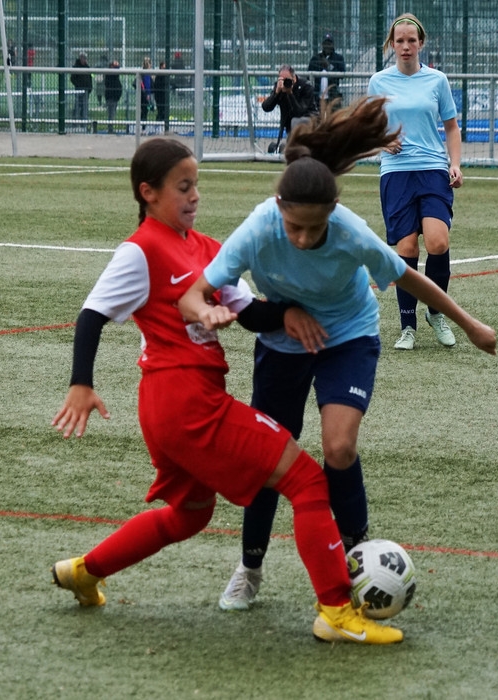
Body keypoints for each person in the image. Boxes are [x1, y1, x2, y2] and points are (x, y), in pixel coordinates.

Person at [49, 137, 403, 646]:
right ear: (148, 193)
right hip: (185, 403)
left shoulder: (204, 247)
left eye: (196, 185)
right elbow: (91, 315)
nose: (194, 196)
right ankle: (335, 610)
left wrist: (287, 311)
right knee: (307, 480)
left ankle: (84, 571)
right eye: (183, 187)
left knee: (190, 516)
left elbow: (250, 311)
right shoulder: (141, 250)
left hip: (175, 408)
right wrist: (81, 383)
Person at [183, 97, 497, 611]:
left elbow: (409, 277)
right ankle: (250, 567)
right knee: (268, 457)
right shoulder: (259, 227)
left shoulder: (351, 232)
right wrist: (206, 311)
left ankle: (357, 557)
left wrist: (471, 325)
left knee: (339, 447)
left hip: (348, 336)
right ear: (279, 207)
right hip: (283, 346)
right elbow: (193, 293)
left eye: (316, 227)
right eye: (294, 227)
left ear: (332, 212)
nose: (304, 238)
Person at [367, 13, 463, 351]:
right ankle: (407, 327)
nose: (406, 46)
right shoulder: (378, 82)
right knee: (406, 249)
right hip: (395, 173)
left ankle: (436, 313)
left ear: (421, 43)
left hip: (433, 170)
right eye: (400, 41)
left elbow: (451, 127)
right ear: (391, 45)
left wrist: (454, 164)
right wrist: (382, 141)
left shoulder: (437, 80)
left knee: (438, 242)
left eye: (411, 40)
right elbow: (368, 128)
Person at [261, 65, 318, 151]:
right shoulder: (279, 87)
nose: (285, 82)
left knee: (295, 121)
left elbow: (300, 112)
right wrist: (276, 93)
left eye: (287, 79)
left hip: (308, 122)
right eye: (282, 79)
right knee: (275, 148)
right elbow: (266, 107)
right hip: (290, 126)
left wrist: (290, 94)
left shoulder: (306, 86)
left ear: (294, 78)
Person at [307, 33, 346, 106]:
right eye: (325, 44)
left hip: (333, 95)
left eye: (329, 44)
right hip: (317, 96)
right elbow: (308, 76)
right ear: (322, 45)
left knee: (334, 112)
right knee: (317, 113)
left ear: (333, 45)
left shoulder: (338, 58)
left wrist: (329, 66)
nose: (327, 46)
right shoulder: (316, 58)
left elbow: (342, 75)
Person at [70, 52, 93, 123]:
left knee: (84, 107)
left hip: (86, 90)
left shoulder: (87, 67)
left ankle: (84, 123)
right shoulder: (76, 67)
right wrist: (78, 85)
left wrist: (90, 87)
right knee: (77, 106)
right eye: (83, 58)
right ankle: (75, 122)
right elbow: (72, 79)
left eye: (85, 58)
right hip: (79, 89)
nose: (85, 60)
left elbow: (90, 78)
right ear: (80, 58)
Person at [104, 61, 123, 134]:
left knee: (112, 113)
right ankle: (110, 129)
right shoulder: (110, 75)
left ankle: (111, 128)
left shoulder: (114, 75)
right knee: (111, 114)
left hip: (114, 97)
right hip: (111, 96)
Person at [153, 61, 170, 125]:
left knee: (163, 111)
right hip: (159, 96)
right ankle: (158, 123)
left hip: (162, 95)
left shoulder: (164, 75)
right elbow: (158, 85)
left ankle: (162, 123)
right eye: (164, 66)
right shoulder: (160, 75)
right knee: (161, 110)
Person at [139, 56, 154, 122]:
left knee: (143, 110)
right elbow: (147, 85)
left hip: (142, 94)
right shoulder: (147, 74)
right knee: (145, 111)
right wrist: (148, 94)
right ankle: (143, 125)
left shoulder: (143, 73)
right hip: (145, 95)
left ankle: (142, 124)